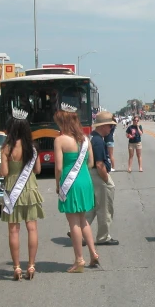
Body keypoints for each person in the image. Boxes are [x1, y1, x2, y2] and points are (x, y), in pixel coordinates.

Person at [55, 104, 100, 273]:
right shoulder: (85, 139)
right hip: (84, 180)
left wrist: (57, 184)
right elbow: (90, 163)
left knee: (73, 221)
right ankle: (93, 253)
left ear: (63, 122)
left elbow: (59, 167)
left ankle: (79, 259)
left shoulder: (60, 140)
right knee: (83, 219)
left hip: (70, 181)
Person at [0, 112, 45, 281]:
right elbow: (38, 170)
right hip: (30, 190)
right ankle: (31, 265)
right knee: (32, 228)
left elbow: (4, 172)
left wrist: (2, 167)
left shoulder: (6, 148)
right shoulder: (32, 147)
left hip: (13, 190)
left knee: (13, 230)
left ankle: (17, 267)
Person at [85, 111, 120, 246]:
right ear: (103, 125)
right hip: (99, 175)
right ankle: (103, 237)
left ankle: (80, 230)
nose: (111, 129)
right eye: (110, 126)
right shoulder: (99, 141)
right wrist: (106, 180)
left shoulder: (92, 137)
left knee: (93, 206)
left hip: (92, 174)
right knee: (105, 208)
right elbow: (99, 164)